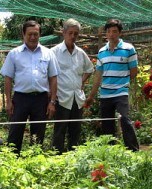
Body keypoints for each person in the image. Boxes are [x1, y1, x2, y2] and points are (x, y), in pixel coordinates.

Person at [0, 20, 60, 153]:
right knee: (15, 133)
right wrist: (9, 101)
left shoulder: (48, 53)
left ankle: (34, 163)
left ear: (40, 35)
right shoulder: (14, 54)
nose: (33, 37)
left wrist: (52, 102)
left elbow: (53, 78)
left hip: (41, 100)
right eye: (30, 34)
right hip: (20, 99)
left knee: (38, 135)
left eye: (36, 34)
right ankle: (12, 163)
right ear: (23, 34)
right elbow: (8, 78)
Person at [86, 19, 139, 152]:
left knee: (125, 120)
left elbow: (133, 72)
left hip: (121, 92)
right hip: (105, 93)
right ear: (106, 34)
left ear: (120, 33)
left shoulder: (129, 49)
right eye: (108, 31)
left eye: (114, 31)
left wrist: (123, 82)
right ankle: (111, 153)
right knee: (107, 123)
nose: (111, 34)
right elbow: (98, 75)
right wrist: (91, 95)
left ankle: (133, 151)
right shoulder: (102, 52)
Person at [51, 19, 94, 154]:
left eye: (76, 34)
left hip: (77, 98)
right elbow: (48, 75)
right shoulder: (54, 52)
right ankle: (56, 159)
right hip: (62, 97)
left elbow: (90, 69)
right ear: (63, 33)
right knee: (59, 131)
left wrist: (81, 82)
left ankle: (73, 158)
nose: (73, 36)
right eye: (70, 33)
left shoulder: (80, 53)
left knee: (75, 130)